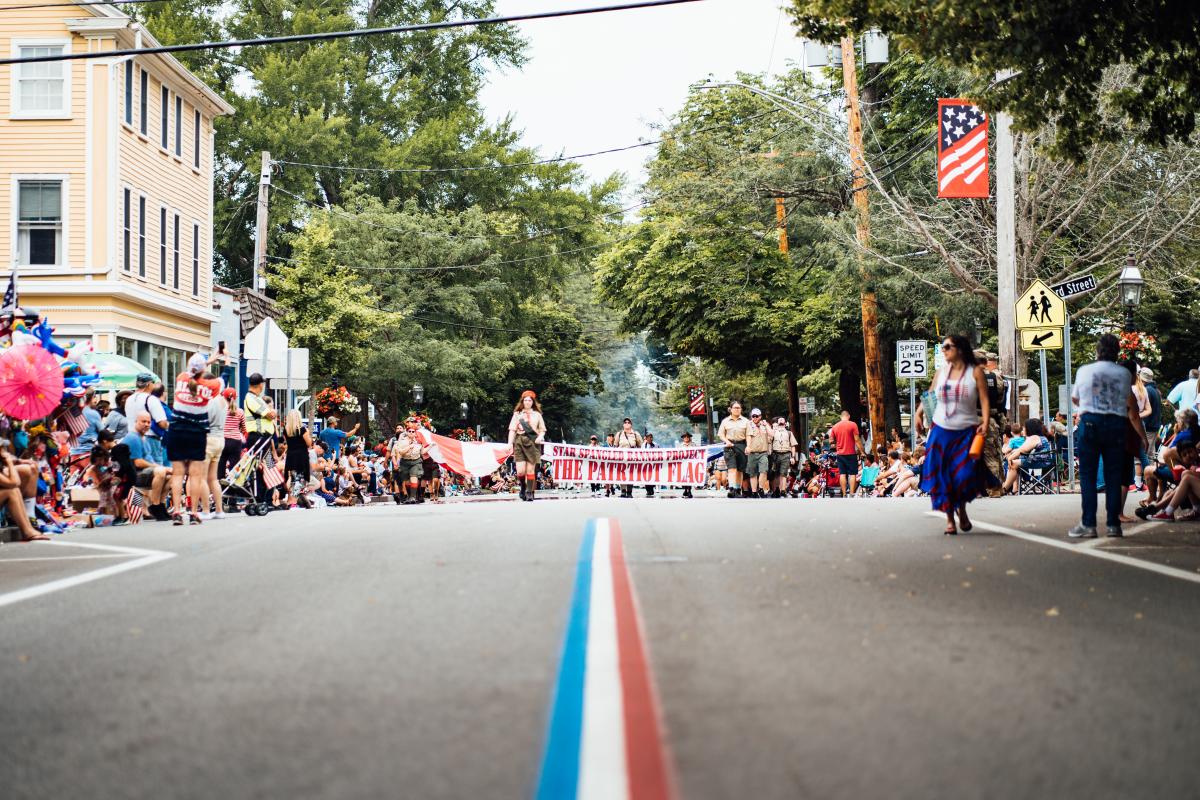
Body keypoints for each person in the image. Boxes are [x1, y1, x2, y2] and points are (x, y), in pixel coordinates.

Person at [1068, 334, 1147, 539]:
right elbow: (1127, 401)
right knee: (1114, 474)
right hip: (1116, 423)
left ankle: (1089, 524)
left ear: (1097, 350)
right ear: (1117, 352)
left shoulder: (1085, 370)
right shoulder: (1123, 374)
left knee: (1088, 475)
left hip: (1091, 422)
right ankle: (1113, 524)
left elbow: (1076, 397)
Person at [918, 335, 990, 535]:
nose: (944, 350)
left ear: (959, 349)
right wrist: (918, 413)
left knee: (963, 475)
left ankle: (962, 509)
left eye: (948, 346)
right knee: (943, 477)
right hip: (941, 431)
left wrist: (984, 421)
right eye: (943, 347)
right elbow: (930, 396)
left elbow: (984, 400)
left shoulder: (974, 372)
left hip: (966, 431)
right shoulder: (941, 373)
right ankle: (950, 519)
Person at [166, 355, 221, 524]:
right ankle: (194, 512)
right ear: (203, 370)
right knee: (196, 475)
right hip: (197, 432)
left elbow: (193, 371)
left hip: (176, 430)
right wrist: (221, 359)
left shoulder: (181, 378)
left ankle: (176, 510)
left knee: (178, 474)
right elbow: (221, 380)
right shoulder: (209, 386)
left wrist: (207, 361)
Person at [122, 411, 170, 520]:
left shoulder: (144, 438)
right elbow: (138, 462)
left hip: (145, 472)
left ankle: (161, 505)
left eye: (149, 422)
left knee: (170, 475)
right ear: (136, 422)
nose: (147, 424)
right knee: (161, 471)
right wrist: (157, 467)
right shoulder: (133, 438)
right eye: (143, 421)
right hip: (134, 474)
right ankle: (155, 505)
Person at [243, 373, 277, 507]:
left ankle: (268, 499)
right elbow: (270, 414)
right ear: (260, 385)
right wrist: (271, 412)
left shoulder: (257, 398)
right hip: (258, 437)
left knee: (269, 467)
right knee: (261, 467)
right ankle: (261, 498)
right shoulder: (252, 398)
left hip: (264, 438)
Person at [507, 390, 546, 502]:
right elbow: (512, 430)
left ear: (532, 402)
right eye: (525, 400)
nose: (527, 402)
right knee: (520, 472)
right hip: (519, 442)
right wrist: (510, 444)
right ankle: (523, 487)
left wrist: (540, 436)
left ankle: (529, 492)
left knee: (530, 470)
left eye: (529, 400)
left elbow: (543, 430)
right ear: (522, 401)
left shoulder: (537, 415)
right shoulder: (517, 415)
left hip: (533, 443)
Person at [125, 373, 170, 468]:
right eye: (153, 383)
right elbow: (162, 423)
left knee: (136, 469)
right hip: (150, 439)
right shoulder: (151, 399)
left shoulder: (129, 399)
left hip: (131, 437)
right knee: (157, 470)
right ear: (149, 384)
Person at [1000, 418, 1051, 494]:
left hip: (1040, 462)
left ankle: (1005, 488)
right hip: (1045, 461)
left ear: (1030, 428)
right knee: (1015, 463)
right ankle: (1006, 488)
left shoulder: (1034, 438)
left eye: (1024, 428)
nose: (1022, 430)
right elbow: (1022, 449)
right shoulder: (1040, 437)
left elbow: (1022, 450)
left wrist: (1010, 458)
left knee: (1013, 463)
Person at [717, 402, 750, 498]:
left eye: (739, 408)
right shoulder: (725, 421)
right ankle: (731, 489)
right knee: (732, 468)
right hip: (729, 446)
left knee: (740, 470)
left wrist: (748, 446)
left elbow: (748, 435)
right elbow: (721, 434)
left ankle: (737, 489)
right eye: (735, 408)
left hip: (742, 445)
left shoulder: (746, 421)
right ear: (730, 409)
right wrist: (726, 441)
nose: (737, 409)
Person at [829, 410, 864, 497]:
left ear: (841, 417)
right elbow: (857, 440)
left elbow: (831, 441)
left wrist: (838, 442)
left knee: (842, 474)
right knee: (852, 474)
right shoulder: (853, 424)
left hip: (840, 453)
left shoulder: (835, 426)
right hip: (851, 453)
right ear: (848, 416)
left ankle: (844, 493)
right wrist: (862, 451)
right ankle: (851, 493)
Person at [390, 418, 426, 505]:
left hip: (416, 459)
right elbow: (397, 450)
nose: (411, 423)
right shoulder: (402, 436)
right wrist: (397, 462)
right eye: (410, 422)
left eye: (413, 422)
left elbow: (423, 447)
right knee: (404, 480)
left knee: (415, 477)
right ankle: (406, 496)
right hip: (403, 459)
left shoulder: (420, 434)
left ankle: (414, 496)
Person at [283, 410, 314, 509]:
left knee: (292, 478)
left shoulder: (286, 431)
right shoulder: (302, 430)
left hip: (291, 456)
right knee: (299, 479)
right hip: (301, 457)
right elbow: (309, 444)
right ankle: (293, 501)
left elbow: (288, 444)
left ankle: (290, 500)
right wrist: (308, 434)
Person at [744, 408, 771, 498]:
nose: (754, 418)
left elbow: (772, 434)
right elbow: (747, 436)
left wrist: (766, 425)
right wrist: (747, 447)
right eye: (753, 416)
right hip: (752, 453)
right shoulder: (749, 425)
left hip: (763, 452)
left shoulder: (764, 425)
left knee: (764, 471)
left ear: (760, 416)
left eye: (756, 416)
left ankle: (760, 488)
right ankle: (754, 492)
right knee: (753, 473)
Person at [219, 388, 245, 480]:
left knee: (220, 467)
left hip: (222, 441)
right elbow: (245, 428)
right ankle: (232, 489)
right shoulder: (240, 412)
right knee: (234, 468)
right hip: (235, 442)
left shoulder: (220, 411)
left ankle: (221, 489)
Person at [614, 417, 643, 498]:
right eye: (625, 422)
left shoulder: (635, 434)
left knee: (630, 474)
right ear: (623, 424)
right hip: (621, 458)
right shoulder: (619, 434)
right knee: (622, 474)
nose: (627, 423)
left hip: (632, 458)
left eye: (628, 422)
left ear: (631, 424)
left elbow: (641, 446)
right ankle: (623, 491)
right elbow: (615, 446)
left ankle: (629, 491)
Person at [769, 417, 797, 498]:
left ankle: (783, 490)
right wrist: (770, 454)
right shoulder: (773, 433)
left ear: (785, 424)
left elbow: (793, 446)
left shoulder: (789, 433)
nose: (781, 423)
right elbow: (770, 443)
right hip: (775, 454)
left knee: (783, 473)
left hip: (786, 454)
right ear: (777, 424)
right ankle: (776, 490)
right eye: (779, 422)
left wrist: (793, 457)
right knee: (776, 474)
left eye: (782, 422)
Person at [679, 431, 695, 498]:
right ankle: (685, 489)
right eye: (685, 437)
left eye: (687, 437)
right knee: (684, 477)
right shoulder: (680, 445)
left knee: (690, 477)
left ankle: (689, 490)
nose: (686, 438)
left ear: (689, 438)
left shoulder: (693, 444)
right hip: (683, 463)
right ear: (683, 438)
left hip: (691, 462)